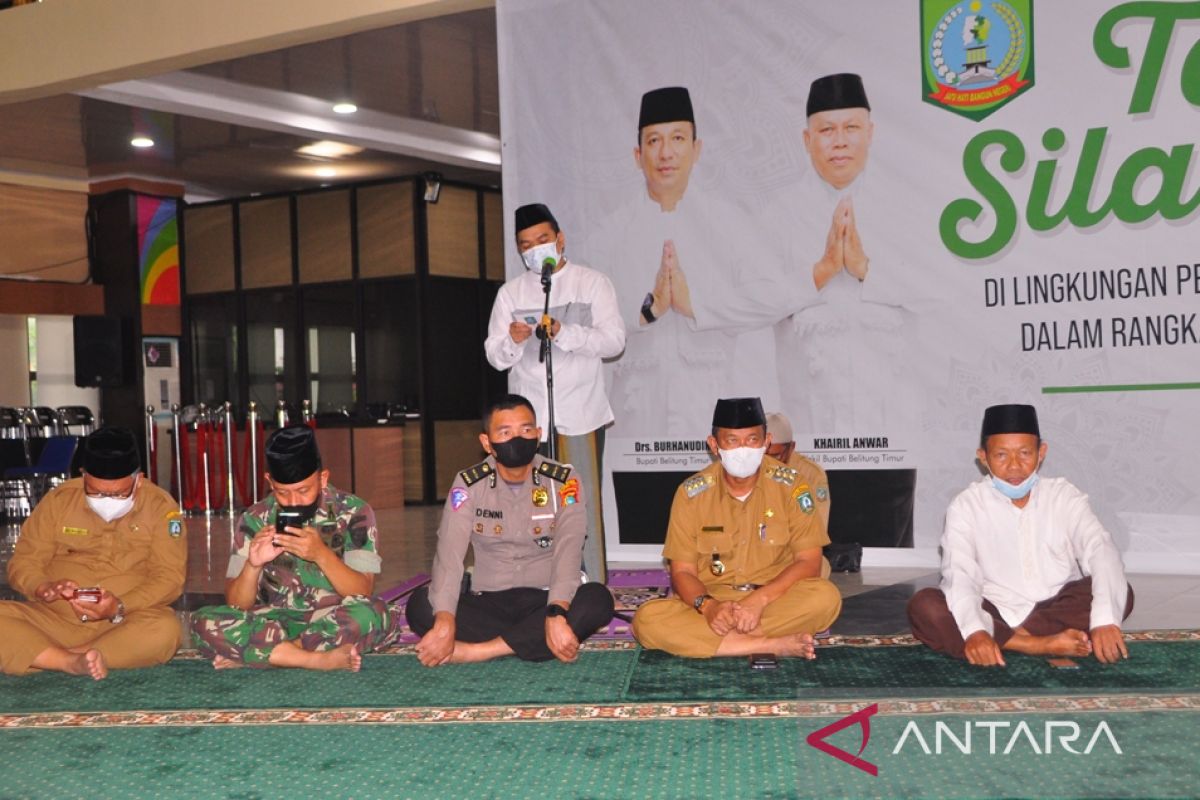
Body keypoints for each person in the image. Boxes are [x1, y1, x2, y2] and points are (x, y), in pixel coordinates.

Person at [585, 86, 784, 438]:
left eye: (677, 138)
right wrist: (648, 310)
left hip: (710, 409)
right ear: (637, 154)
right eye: (653, 141)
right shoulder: (610, 233)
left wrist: (698, 306)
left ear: (697, 149)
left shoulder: (730, 223)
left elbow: (771, 299)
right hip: (635, 414)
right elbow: (584, 319)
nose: (666, 153)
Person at [773, 72, 920, 549]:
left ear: (871, 132)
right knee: (812, 559)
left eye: (851, 128)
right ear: (807, 138)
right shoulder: (779, 216)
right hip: (814, 435)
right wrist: (819, 271)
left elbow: (934, 295)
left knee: (887, 568)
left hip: (886, 436)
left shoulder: (905, 207)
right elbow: (754, 301)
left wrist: (863, 269)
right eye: (827, 130)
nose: (839, 142)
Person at [907, 404, 1135, 666]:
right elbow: (960, 573)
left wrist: (1105, 621)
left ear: (1042, 453)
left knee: (1121, 591)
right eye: (1001, 455)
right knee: (925, 605)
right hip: (993, 611)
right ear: (983, 457)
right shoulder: (966, 505)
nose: (1014, 466)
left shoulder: (1064, 496)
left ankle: (1006, 641)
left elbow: (1100, 549)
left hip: (1057, 606)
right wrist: (976, 629)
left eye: (1025, 453)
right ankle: (1035, 644)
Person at [407, 394, 615, 665]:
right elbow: (449, 554)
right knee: (421, 605)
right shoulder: (469, 484)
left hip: (547, 598)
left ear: (538, 434)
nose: (517, 439)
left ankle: (480, 651)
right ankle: (531, 641)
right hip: (489, 601)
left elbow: (569, 549)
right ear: (487, 442)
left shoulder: (563, 481)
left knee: (598, 599)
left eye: (526, 430)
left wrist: (555, 612)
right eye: (505, 432)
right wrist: (445, 621)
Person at [633, 398, 841, 658]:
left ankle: (718, 644)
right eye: (732, 440)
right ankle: (767, 645)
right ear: (714, 445)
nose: (743, 449)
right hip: (713, 601)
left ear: (766, 442)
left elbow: (809, 561)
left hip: (774, 599)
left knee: (825, 597)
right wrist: (708, 608)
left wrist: (759, 600)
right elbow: (683, 572)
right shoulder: (691, 493)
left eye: (752, 440)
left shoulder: (793, 486)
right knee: (647, 619)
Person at [484, 202, 625, 582]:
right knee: (532, 501)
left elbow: (614, 341)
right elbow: (495, 356)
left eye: (542, 240)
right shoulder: (511, 294)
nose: (535, 250)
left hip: (580, 413)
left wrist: (566, 333)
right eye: (525, 245)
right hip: (528, 423)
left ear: (560, 239)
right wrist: (512, 341)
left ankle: (593, 583)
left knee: (581, 501)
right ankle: (535, 581)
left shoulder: (592, 283)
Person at [190, 425, 391, 671]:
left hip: (330, 618)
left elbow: (363, 591)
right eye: (282, 493)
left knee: (375, 614)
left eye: (303, 490)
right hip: (271, 620)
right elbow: (236, 605)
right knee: (202, 621)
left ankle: (265, 654)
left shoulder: (354, 512)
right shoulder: (254, 518)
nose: (294, 502)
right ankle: (312, 658)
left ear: (323, 478)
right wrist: (253, 566)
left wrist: (322, 555)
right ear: (269, 482)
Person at [0, 427, 185, 679]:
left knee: (166, 631)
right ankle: (71, 660)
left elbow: (169, 579)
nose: (107, 499)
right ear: (83, 475)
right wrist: (44, 587)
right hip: (53, 619)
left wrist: (118, 607)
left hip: (122, 623)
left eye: (119, 494)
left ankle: (52, 656)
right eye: (96, 492)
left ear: (138, 479)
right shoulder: (59, 500)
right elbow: (23, 562)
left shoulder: (161, 508)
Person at [765, 411, 831, 533]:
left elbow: (816, 531)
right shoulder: (747, 469)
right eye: (763, 456)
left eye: (776, 457)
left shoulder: (811, 475)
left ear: (791, 447)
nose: (769, 463)